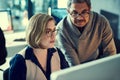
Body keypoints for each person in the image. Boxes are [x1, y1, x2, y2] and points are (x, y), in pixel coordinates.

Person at [55, 0, 116, 66]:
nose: (79, 18)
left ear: (90, 10)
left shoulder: (101, 22)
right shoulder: (61, 29)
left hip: (95, 62)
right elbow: (73, 62)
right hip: (71, 67)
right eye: (74, 13)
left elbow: (110, 53)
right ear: (68, 11)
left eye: (84, 12)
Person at [9, 13, 69, 80]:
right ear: (36, 33)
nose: (53, 36)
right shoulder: (20, 61)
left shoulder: (57, 52)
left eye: (54, 30)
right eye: (48, 32)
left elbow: (68, 76)